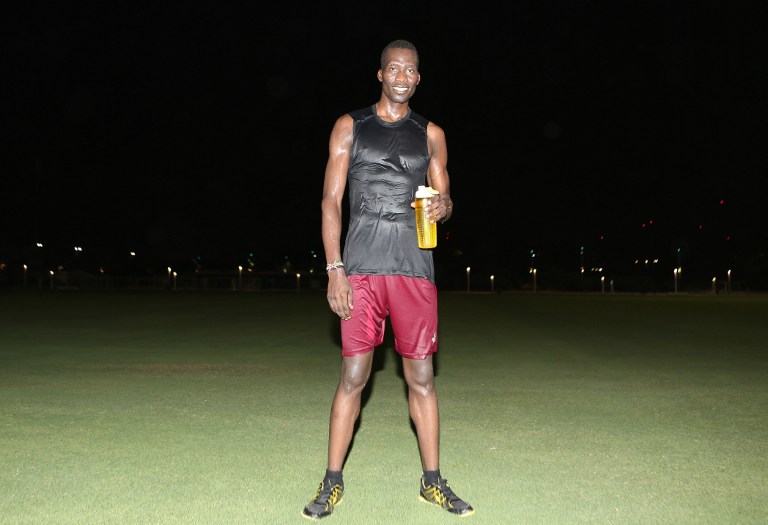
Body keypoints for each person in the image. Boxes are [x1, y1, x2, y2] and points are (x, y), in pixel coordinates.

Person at [302, 39, 474, 520]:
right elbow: (329, 203)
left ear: (419, 79)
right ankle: (331, 481)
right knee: (353, 376)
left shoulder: (431, 134)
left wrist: (445, 206)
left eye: (410, 70)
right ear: (380, 75)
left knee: (421, 378)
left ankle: (433, 482)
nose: (402, 76)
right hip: (361, 270)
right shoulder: (350, 126)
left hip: (415, 272)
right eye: (393, 69)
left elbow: (445, 199)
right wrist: (335, 270)